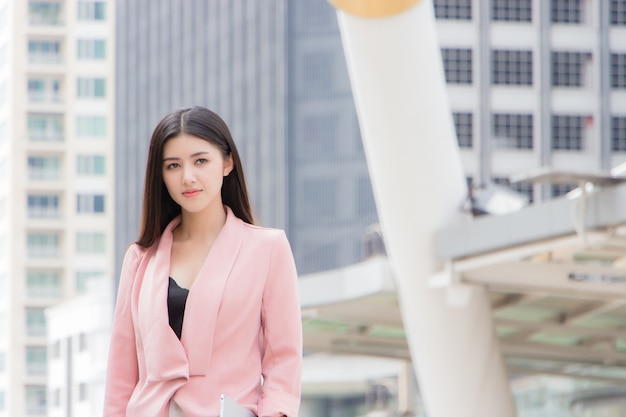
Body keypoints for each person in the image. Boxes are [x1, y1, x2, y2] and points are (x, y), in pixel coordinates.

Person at [103, 106, 302, 417]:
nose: (187, 177)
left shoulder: (268, 249)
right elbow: (120, 374)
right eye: (172, 165)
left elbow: (284, 362)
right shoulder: (140, 259)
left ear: (227, 163)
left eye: (200, 161)